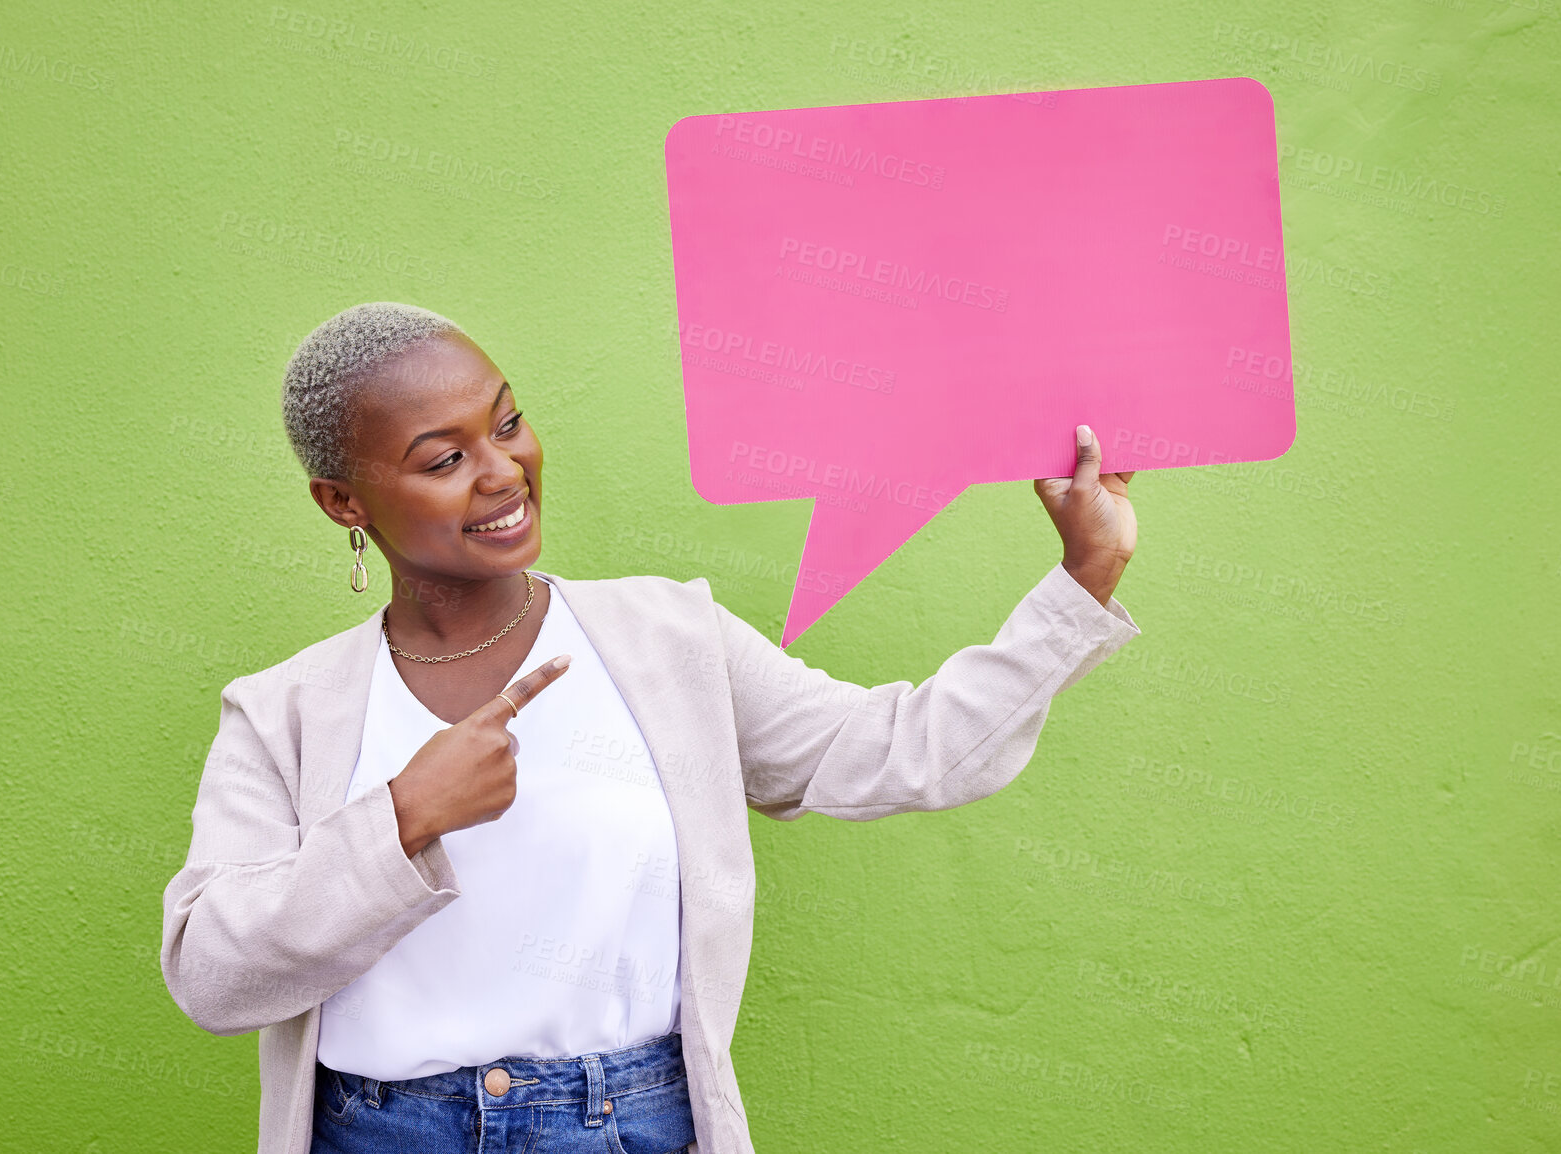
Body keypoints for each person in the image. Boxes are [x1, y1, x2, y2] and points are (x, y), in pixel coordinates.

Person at [160, 301, 1141, 1154]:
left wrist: (1081, 582)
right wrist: (405, 815)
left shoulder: (670, 637)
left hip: (624, 1123)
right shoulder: (284, 708)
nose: (503, 470)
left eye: (508, 423)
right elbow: (212, 973)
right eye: (447, 457)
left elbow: (902, 749)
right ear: (344, 500)